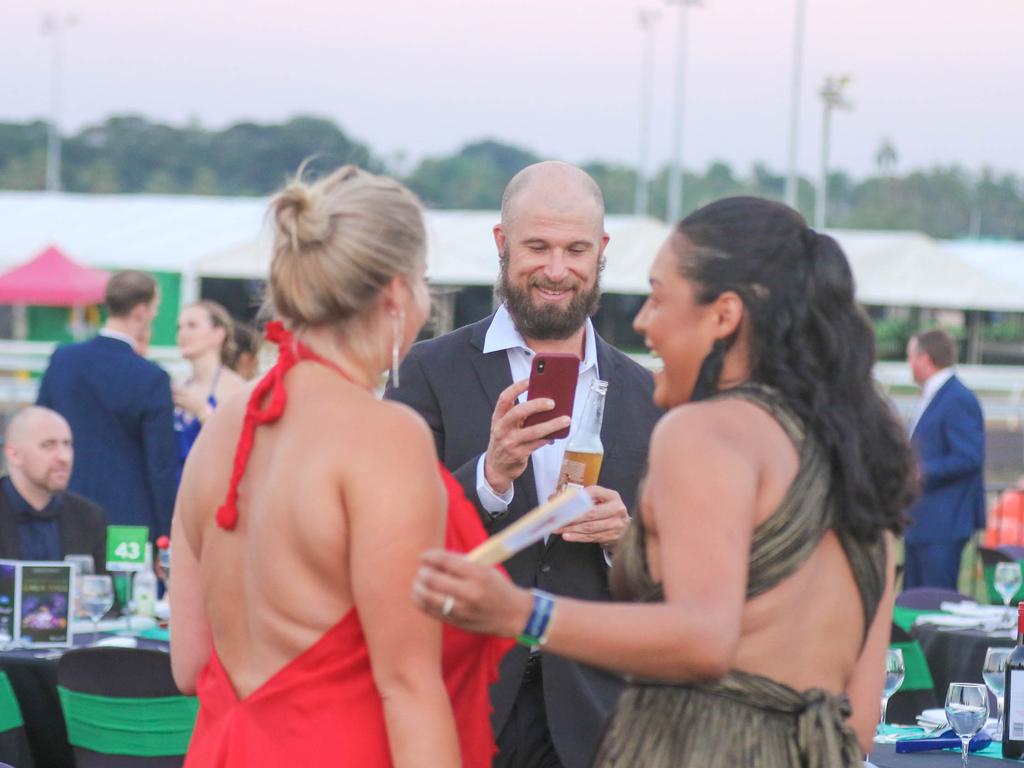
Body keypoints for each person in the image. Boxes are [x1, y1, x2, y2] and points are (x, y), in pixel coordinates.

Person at [413, 196, 918, 766]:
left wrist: (518, 613)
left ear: (724, 316)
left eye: (657, 297)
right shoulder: (863, 451)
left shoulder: (703, 430)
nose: (641, 322)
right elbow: (862, 716)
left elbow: (703, 638)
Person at [170, 164, 510, 768]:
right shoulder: (381, 436)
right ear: (397, 294)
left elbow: (188, 663)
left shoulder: (220, 426)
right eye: (426, 282)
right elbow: (409, 689)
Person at [387, 160, 661, 768]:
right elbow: (392, 540)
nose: (557, 270)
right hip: (459, 698)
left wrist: (626, 539)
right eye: (537, 246)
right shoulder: (426, 373)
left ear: (602, 251)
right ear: (502, 243)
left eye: (576, 249)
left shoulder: (648, 394)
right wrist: (491, 476)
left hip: (597, 714)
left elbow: (679, 581)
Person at [37, 270, 177, 539]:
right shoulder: (152, 377)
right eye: (155, 310)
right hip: (129, 519)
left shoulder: (63, 360)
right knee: (127, 583)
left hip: (62, 507)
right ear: (141, 311)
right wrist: (165, 535)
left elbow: (38, 428)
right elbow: (161, 466)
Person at [904, 328, 986, 589]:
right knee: (912, 607)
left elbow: (969, 457)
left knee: (935, 603)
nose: (909, 365)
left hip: (943, 523)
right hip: (922, 522)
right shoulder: (935, 396)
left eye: (910, 357)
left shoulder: (957, 398)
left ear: (925, 359)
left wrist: (920, 471)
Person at [0, 406, 106, 570]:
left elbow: (103, 588)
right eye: (48, 445)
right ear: (14, 454)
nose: (64, 457)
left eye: (67, 444)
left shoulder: (88, 517)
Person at [172, 300, 247, 475]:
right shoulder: (179, 386)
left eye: (192, 326)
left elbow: (240, 447)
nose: (182, 334)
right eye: (179, 327)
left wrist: (202, 411)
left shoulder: (236, 389)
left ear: (218, 334)